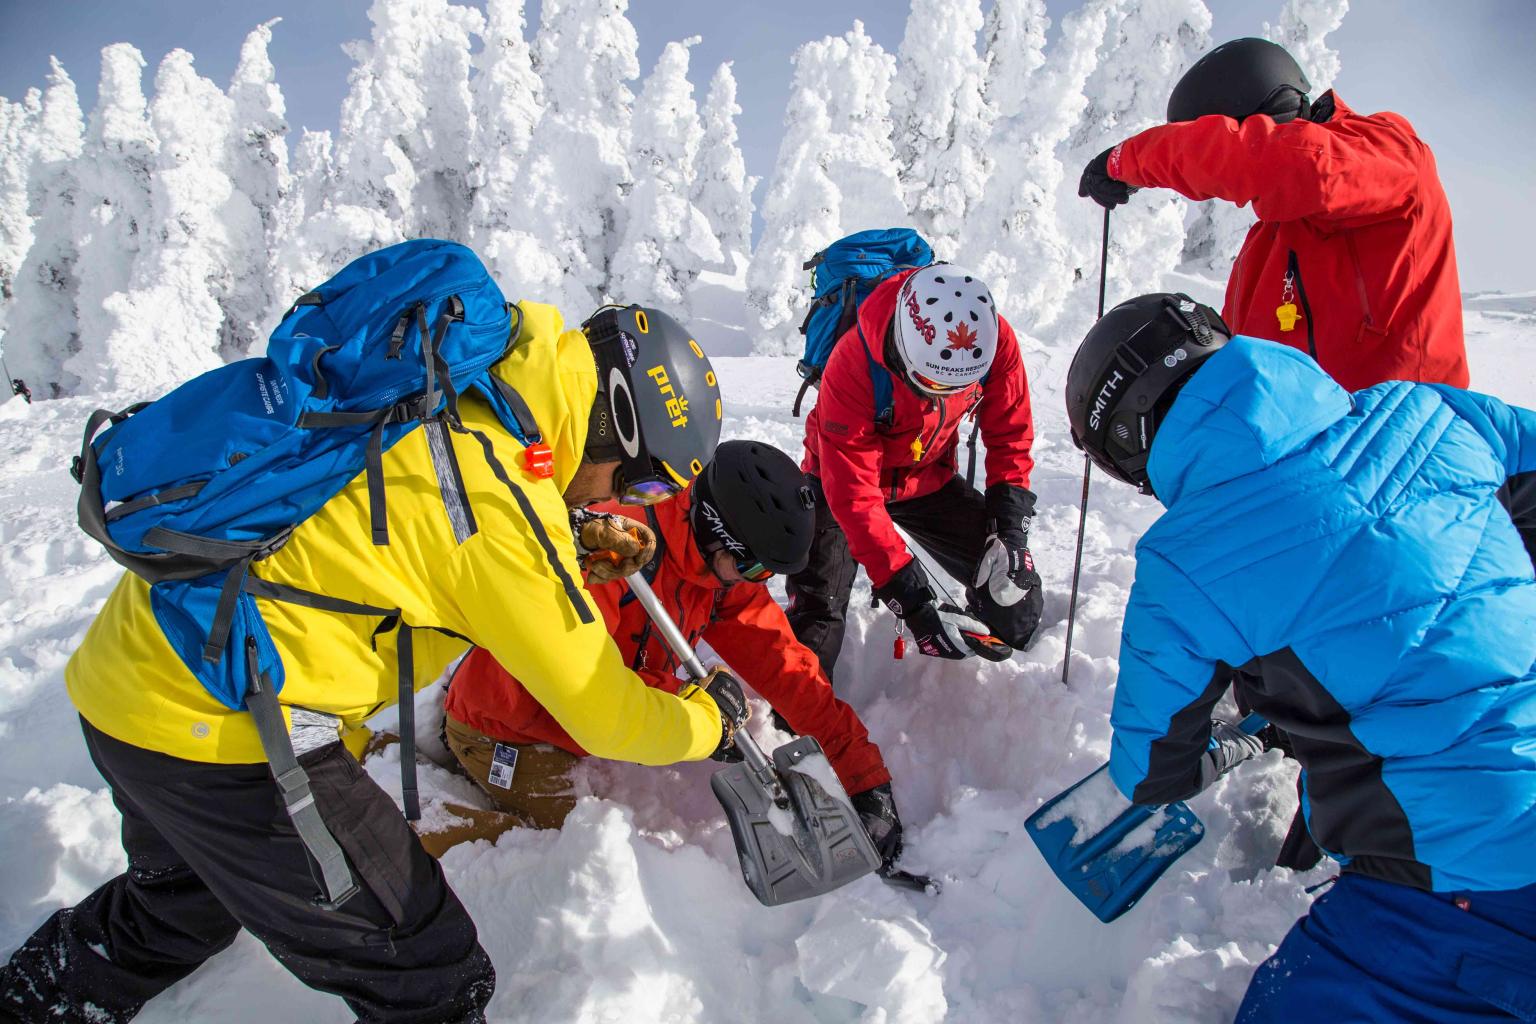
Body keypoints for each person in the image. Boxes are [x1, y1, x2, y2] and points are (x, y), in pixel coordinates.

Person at [0, 300, 735, 1024]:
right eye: (641, 485)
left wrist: (565, 547)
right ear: (616, 420)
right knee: (425, 966)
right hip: (228, 734)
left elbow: (406, 533)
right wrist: (706, 721)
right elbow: (606, 714)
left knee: (180, 904)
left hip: (137, 674)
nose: (630, 503)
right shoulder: (500, 517)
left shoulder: (469, 381)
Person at [1065, 292, 1536, 1022]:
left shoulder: (1182, 565)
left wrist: (1259, 726)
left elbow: (1151, 770)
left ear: (1131, 448)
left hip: (1472, 881)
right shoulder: (1428, 410)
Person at [443, 439, 905, 870]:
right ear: (716, 530)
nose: (755, 582)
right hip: (509, 727)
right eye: (753, 566)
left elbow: (789, 670)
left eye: (767, 573)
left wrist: (864, 776)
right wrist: (692, 702)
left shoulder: (717, 575)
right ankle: (424, 821)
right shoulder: (610, 553)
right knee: (576, 855)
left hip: (590, 728)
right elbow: (580, 685)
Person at [1078, 37, 1467, 392]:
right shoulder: (1269, 242)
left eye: (1218, 134)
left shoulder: (1387, 150)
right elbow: (1243, 357)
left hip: (1408, 431)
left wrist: (1128, 160)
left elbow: (1288, 162)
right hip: (1319, 449)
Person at [787, 264, 1043, 684]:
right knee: (818, 616)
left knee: (1014, 594)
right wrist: (908, 596)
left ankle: (1016, 674)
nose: (941, 397)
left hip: (926, 478)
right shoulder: (852, 364)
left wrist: (1010, 530)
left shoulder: (994, 342)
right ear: (904, 354)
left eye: (957, 389)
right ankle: (798, 729)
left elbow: (1010, 434)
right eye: (930, 383)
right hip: (837, 483)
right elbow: (854, 495)